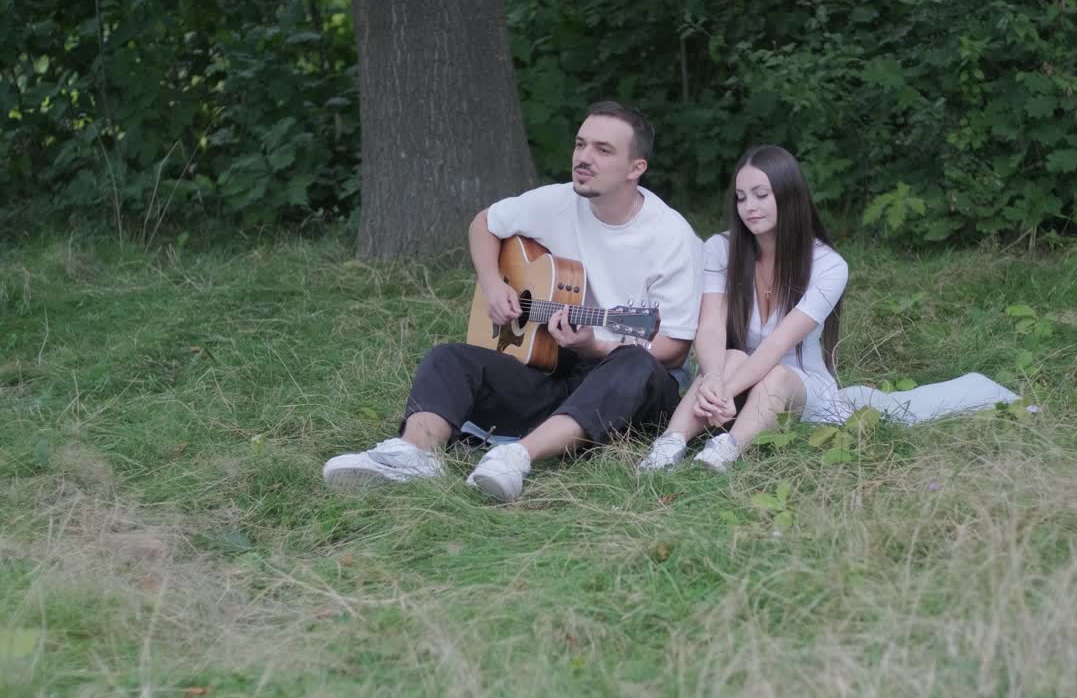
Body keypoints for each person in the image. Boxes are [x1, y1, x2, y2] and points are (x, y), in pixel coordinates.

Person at [324, 101, 703, 501]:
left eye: (603, 150)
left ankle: (516, 457)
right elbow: (484, 223)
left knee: (635, 363)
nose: (584, 158)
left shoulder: (671, 236)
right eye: (580, 145)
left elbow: (674, 350)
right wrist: (493, 284)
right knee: (449, 357)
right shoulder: (556, 202)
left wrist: (597, 345)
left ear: (635, 168)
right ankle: (415, 454)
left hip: (634, 386)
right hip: (557, 366)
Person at [639, 145, 847, 471]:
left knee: (777, 374)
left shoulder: (829, 266)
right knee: (732, 355)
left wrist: (723, 389)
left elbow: (779, 344)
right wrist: (714, 379)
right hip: (735, 377)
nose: (749, 207)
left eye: (761, 194)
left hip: (798, 384)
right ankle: (670, 444)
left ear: (789, 195)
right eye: (741, 197)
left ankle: (726, 449)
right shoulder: (721, 249)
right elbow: (710, 326)